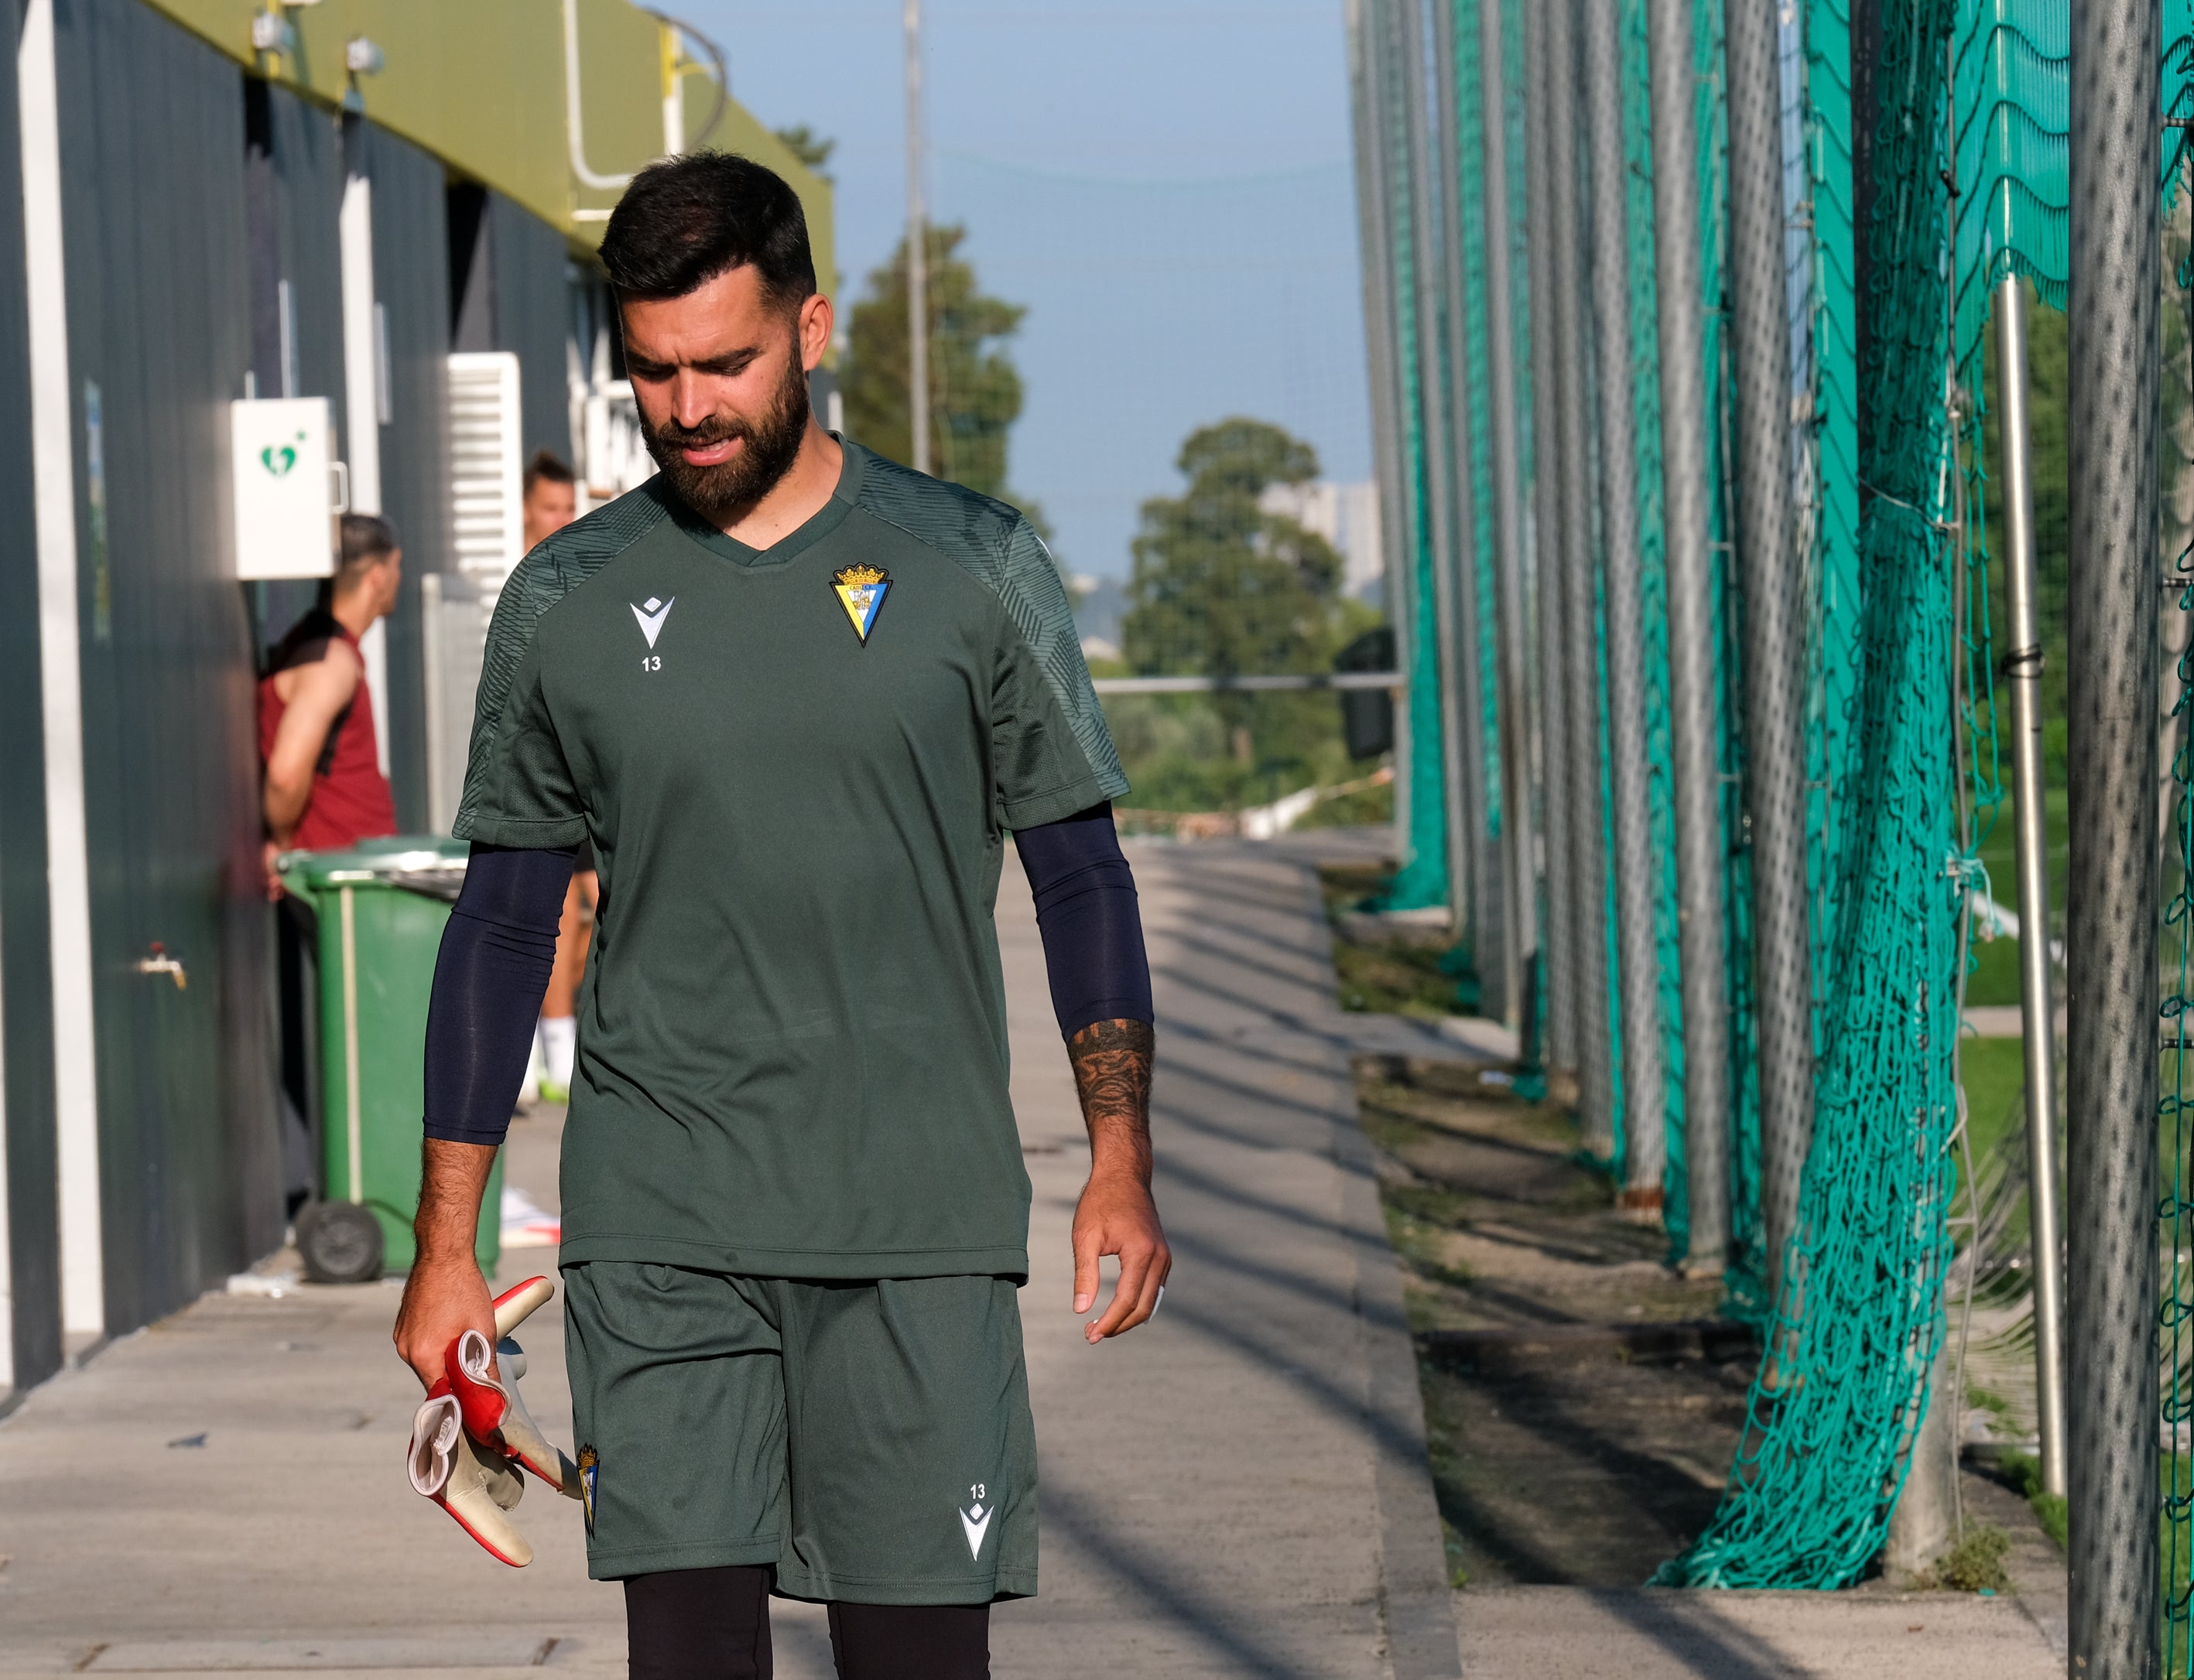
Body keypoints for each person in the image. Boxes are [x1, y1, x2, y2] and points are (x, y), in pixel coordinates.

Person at [393, 152, 1169, 1680]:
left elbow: (1079, 874)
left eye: (727, 363)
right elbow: (497, 922)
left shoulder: (975, 564)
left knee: (914, 1660)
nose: (691, 408)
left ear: (811, 328)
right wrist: (444, 1246)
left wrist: (1119, 1162)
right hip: (663, 1216)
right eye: (654, 375)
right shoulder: (567, 598)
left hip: (915, 1222)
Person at [258, 513, 402, 895]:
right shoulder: (329, 662)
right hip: (343, 892)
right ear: (378, 576)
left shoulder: (321, 649)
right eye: (397, 566)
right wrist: (285, 848)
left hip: (356, 883)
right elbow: (285, 774)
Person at [516, 450, 592, 1104]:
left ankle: (565, 1042)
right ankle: (553, 1050)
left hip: (588, 760)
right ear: (522, 510)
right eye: (550, 509)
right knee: (557, 907)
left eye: (570, 508)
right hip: (536, 771)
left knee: (600, 903)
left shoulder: (581, 573)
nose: (563, 520)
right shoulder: (518, 585)